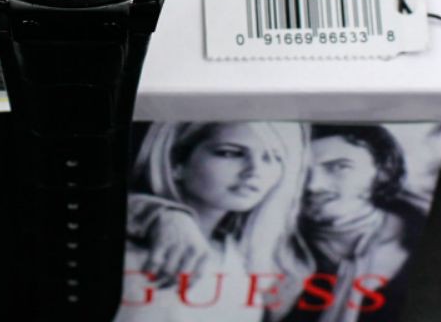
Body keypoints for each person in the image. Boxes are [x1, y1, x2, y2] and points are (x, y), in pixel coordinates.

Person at [115, 122, 312, 321]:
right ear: (176, 163)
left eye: (273, 157)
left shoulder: (248, 259)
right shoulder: (134, 248)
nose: (255, 170)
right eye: (230, 153)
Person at [279, 125, 426, 322]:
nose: (313, 185)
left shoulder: (418, 234)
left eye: (339, 167)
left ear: (382, 172)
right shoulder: (273, 244)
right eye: (301, 171)